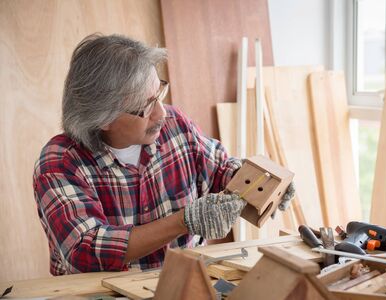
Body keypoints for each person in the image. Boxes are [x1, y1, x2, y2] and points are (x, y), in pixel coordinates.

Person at [33, 33, 295, 275]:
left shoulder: (175, 126)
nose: (162, 113)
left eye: (159, 92)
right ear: (104, 119)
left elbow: (219, 170)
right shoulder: (60, 163)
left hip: (183, 283)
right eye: (146, 107)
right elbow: (87, 249)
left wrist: (260, 182)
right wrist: (185, 221)